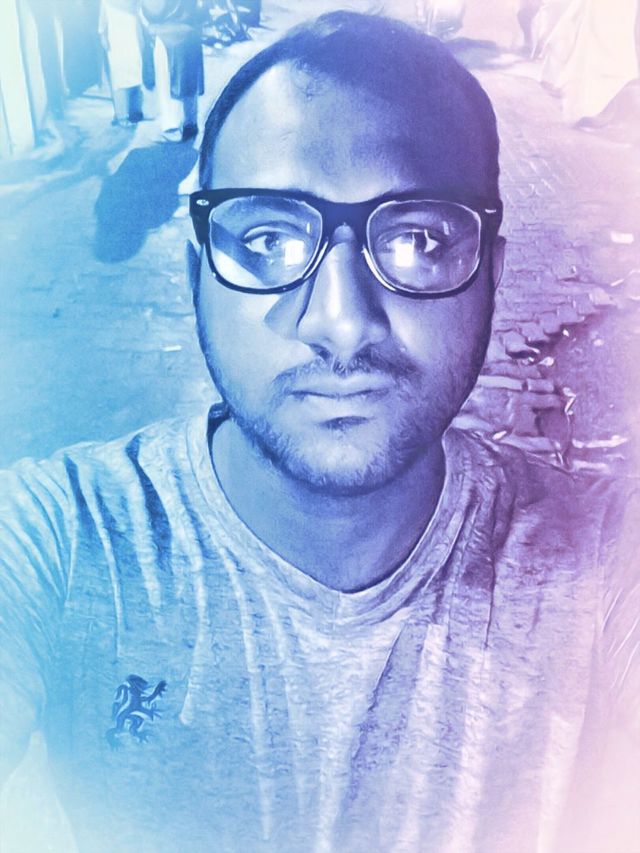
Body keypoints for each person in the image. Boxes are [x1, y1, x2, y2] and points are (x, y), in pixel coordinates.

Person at [0, 11, 638, 853]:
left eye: (417, 239)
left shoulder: (603, 564)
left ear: (492, 274)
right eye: (268, 238)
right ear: (196, 277)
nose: (340, 322)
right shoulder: (59, 542)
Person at [141, 0, 204, 141]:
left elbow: (153, 11)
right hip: (190, 34)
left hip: (167, 36)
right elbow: (202, 9)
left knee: (167, 81)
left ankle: (172, 127)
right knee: (189, 79)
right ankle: (190, 122)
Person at [99, 0, 146, 126]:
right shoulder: (107, 2)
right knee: (121, 82)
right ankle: (123, 116)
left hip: (131, 43)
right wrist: (104, 39)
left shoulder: (135, 3)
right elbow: (102, 26)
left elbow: (142, 20)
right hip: (117, 45)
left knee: (134, 80)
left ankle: (134, 113)